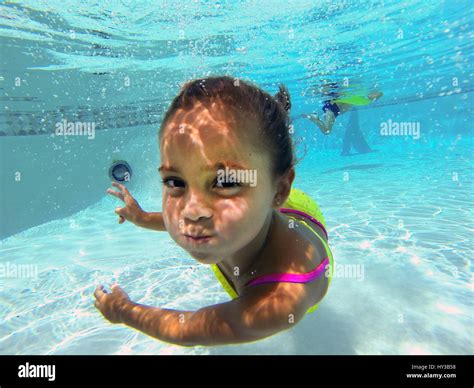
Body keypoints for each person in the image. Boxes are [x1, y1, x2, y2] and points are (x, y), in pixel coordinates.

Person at [95, 77, 334, 347]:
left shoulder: (283, 297)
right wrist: (141, 218)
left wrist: (123, 311)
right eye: (175, 182)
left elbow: (188, 330)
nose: (192, 211)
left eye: (226, 182)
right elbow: (183, 219)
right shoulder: (223, 223)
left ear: (279, 190)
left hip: (303, 215)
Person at [303, 87, 383, 135]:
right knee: (326, 131)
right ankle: (313, 118)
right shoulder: (363, 98)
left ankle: (314, 118)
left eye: (375, 97)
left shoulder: (364, 100)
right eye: (374, 95)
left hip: (334, 108)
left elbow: (380, 93)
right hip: (332, 107)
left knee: (327, 131)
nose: (373, 96)